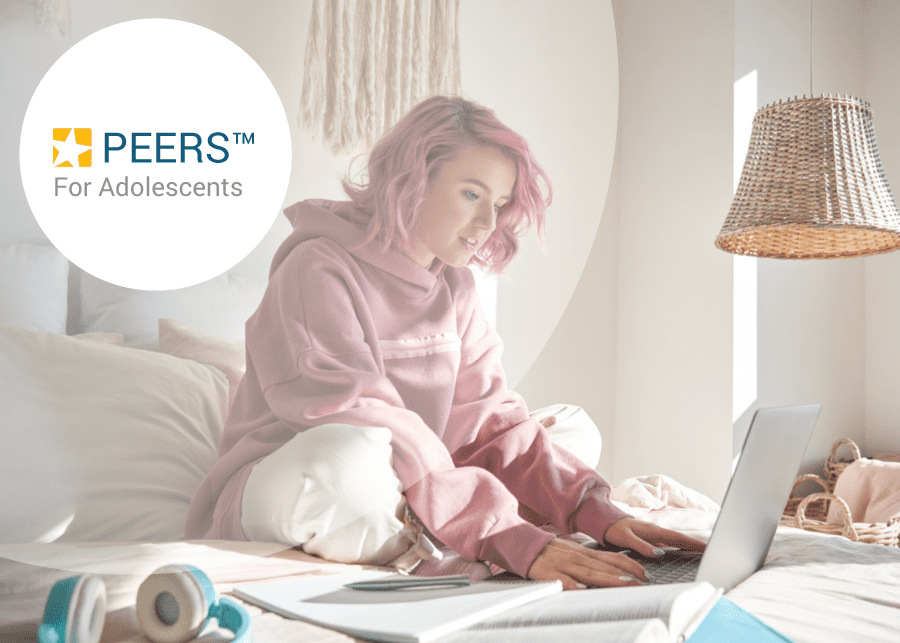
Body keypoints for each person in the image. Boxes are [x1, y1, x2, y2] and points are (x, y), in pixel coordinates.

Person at [185, 96, 704, 589]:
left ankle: (444, 531)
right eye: (471, 194)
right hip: (294, 473)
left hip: (405, 474)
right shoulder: (316, 267)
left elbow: (490, 420)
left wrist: (600, 513)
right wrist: (502, 528)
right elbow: (361, 416)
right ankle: (460, 538)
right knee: (345, 463)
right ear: (411, 180)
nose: (486, 223)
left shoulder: (453, 281)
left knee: (569, 427)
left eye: (498, 204)